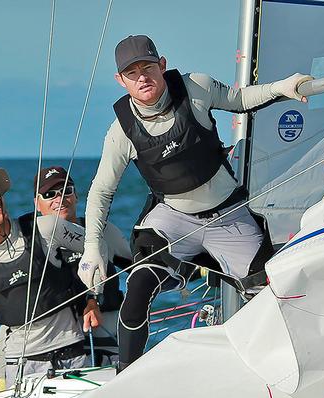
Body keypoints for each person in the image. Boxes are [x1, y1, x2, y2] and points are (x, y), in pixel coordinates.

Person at [78, 35, 311, 371]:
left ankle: (285, 370)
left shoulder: (196, 88)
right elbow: (101, 192)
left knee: (271, 295)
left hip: (228, 217)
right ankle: (126, 379)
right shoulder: (121, 132)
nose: (142, 77)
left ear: (162, 65)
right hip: (174, 218)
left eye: (147, 67)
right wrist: (91, 246)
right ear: (121, 80)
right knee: (138, 287)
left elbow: (241, 98)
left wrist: (282, 87)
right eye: (132, 72)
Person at [0, 168, 130, 387]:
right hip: (21, 362)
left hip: (71, 352)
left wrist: (93, 298)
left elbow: (96, 245)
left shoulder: (45, 228)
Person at [34, 166, 131, 365]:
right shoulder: (33, 242)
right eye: (50, 194)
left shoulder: (103, 232)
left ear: (76, 196)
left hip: (108, 340)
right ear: (37, 203)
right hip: (60, 347)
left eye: (66, 191)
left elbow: (138, 267)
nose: (60, 199)